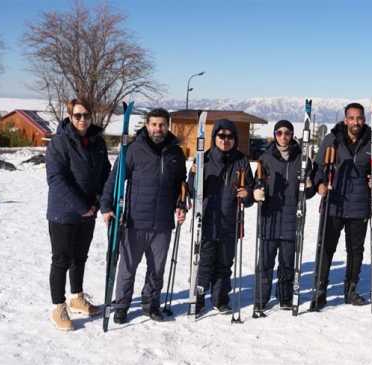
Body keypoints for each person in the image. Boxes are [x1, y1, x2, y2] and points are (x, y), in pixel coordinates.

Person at [100, 108, 187, 323]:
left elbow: (181, 184)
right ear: (147, 125)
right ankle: (121, 305)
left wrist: (181, 203)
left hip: (163, 222)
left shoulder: (176, 152)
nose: (158, 129)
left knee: (157, 268)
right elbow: (115, 179)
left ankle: (151, 303)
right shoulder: (132, 150)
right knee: (128, 267)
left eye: (162, 125)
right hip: (134, 221)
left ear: (168, 126)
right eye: (154, 124)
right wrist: (106, 206)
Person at [310, 102, 372, 311]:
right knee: (325, 248)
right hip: (334, 204)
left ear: (364, 119)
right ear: (345, 120)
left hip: (359, 205)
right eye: (352, 118)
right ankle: (320, 290)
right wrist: (320, 184)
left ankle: (350, 289)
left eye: (359, 118)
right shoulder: (332, 140)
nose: (356, 122)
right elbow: (318, 168)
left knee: (355, 251)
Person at [46, 98, 110, 331]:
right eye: (77, 116)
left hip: (89, 211)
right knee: (61, 260)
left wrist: (102, 203)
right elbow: (56, 179)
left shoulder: (97, 142)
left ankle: (77, 297)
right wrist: (82, 206)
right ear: (70, 117)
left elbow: (105, 174)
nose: (82, 119)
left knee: (80, 258)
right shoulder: (59, 143)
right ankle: (58, 307)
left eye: (86, 115)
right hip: (64, 213)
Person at [188, 119, 253, 314]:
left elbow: (249, 191)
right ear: (214, 137)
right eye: (221, 136)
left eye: (230, 137)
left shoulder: (241, 161)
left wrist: (247, 194)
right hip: (207, 220)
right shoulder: (203, 158)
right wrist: (193, 176)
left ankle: (220, 299)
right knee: (204, 263)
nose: (225, 140)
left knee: (225, 263)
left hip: (230, 221)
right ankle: (197, 300)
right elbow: (192, 190)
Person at [252, 120, 315, 312]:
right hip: (270, 218)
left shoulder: (303, 159)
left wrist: (310, 185)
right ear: (275, 135)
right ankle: (261, 298)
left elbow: (308, 193)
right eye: (279, 133)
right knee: (265, 262)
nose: (283, 136)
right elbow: (257, 182)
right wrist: (257, 192)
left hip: (291, 218)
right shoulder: (265, 158)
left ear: (292, 135)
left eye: (287, 133)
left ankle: (285, 297)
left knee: (287, 262)